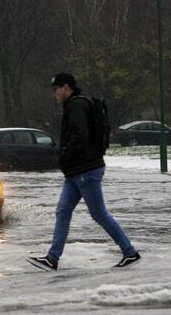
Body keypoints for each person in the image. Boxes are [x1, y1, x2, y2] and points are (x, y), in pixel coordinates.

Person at [27, 73, 140, 271]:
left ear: (66, 87)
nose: (55, 94)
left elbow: (80, 135)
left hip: (86, 169)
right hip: (75, 171)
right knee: (62, 211)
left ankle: (129, 252)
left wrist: (65, 153)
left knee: (98, 213)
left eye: (56, 90)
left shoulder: (76, 105)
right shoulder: (74, 105)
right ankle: (52, 258)